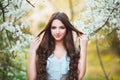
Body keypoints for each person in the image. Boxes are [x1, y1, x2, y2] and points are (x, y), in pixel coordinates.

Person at [27, 12, 88, 80]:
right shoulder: (42, 50)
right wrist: (32, 51)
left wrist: (83, 48)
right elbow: (32, 78)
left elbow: (79, 76)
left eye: (62, 27)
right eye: (54, 28)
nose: (57, 31)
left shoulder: (74, 51)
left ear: (67, 29)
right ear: (50, 29)